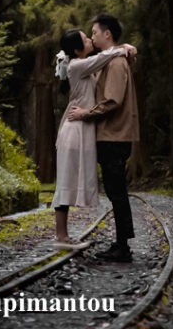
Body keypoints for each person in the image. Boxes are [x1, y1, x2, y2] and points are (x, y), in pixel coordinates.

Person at [52, 28, 136, 247]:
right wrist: (123, 48)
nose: (90, 39)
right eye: (85, 38)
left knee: (69, 181)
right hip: (74, 130)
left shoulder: (83, 66)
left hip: (83, 128)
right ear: (78, 49)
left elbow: (107, 68)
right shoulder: (77, 66)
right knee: (65, 183)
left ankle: (64, 235)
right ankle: (61, 237)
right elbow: (104, 57)